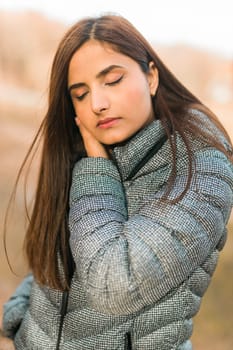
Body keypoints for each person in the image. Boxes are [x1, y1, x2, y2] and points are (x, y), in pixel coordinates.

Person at [1, 14, 233, 350]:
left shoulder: (201, 170)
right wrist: (24, 318)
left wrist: (97, 170)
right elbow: (56, 252)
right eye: (80, 94)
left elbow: (114, 283)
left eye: (112, 80)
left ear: (151, 76)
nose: (97, 103)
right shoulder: (82, 155)